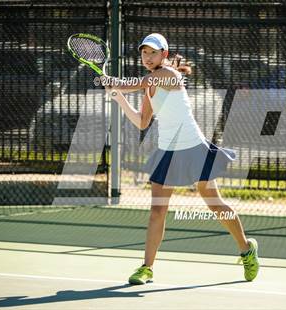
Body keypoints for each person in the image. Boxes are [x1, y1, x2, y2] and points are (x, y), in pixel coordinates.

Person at [105, 33, 259, 285]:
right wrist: (117, 95)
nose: (147, 57)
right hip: (167, 152)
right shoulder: (150, 85)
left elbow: (138, 82)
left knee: (215, 205)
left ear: (164, 55)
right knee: (157, 211)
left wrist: (114, 82)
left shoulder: (170, 76)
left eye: (153, 52)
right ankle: (147, 268)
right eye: (144, 52)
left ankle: (246, 249)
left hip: (193, 148)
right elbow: (142, 121)